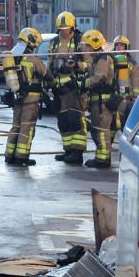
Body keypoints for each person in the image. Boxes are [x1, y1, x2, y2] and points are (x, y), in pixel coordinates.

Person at [1, 28, 52, 167]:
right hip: (31, 99)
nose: (36, 46)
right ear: (31, 42)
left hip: (17, 98)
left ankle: (9, 155)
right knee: (27, 128)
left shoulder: (12, 57)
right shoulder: (32, 59)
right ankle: (21, 157)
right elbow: (47, 75)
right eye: (35, 44)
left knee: (16, 125)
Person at [49, 11, 88, 165]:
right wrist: (49, 81)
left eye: (65, 28)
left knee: (76, 119)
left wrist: (77, 65)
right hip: (59, 88)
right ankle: (68, 151)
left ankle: (77, 152)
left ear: (72, 27)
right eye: (60, 28)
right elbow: (50, 62)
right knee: (63, 121)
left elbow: (90, 64)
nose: (63, 31)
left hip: (75, 88)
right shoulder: (54, 42)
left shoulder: (81, 41)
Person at [81, 29, 115, 169]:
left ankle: (102, 160)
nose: (85, 48)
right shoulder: (98, 58)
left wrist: (84, 83)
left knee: (101, 131)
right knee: (98, 130)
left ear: (93, 45)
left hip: (102, 103)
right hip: (99, 101)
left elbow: (99, 77)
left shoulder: (102, 59)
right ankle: (102, 157)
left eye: (87, 45)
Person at [112, 35, 139, 131]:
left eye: (122, 45)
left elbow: (136, 81)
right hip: (112, 97)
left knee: (123, 123)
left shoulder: (132, 64)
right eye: (117, 45)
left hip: (126, 99)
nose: (119, 48)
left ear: (126, 47)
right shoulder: (110, 60)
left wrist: (135, 99)